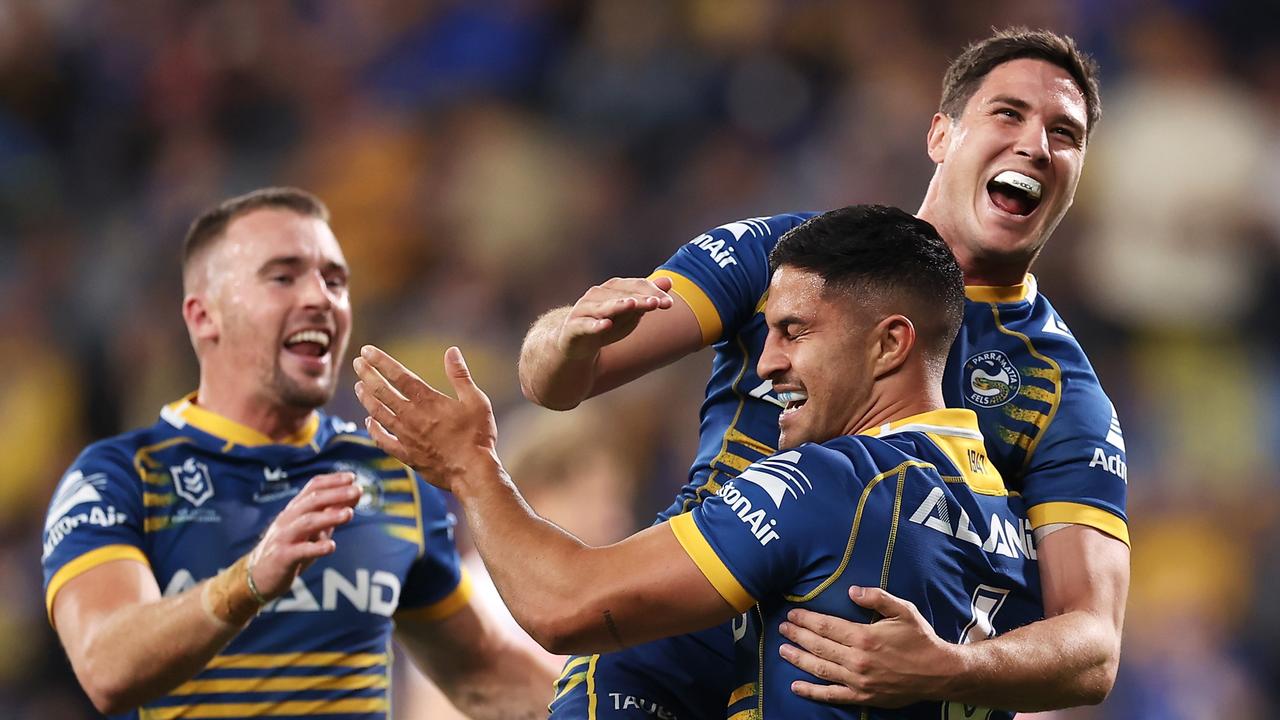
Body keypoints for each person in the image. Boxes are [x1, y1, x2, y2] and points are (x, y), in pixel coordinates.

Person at [516, 28, 1128, 718]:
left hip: (838, 682)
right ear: (940, 136)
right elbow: (560, 381)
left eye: (1065, 133)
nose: (1036, 145)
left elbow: (1094, 646)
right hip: (670, 649)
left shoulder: (1061, 393)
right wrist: (563, 340)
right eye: (1008, 113)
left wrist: (954, 667)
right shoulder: (790, 257)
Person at [353, 204, 1043, 720]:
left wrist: (470, 466)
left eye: (794, 332)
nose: (767, 363)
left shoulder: (828, 481)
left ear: (890, 344)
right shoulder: (1009, 524)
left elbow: (564, 606)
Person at [40, 188, 555, 720]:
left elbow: (486, 677)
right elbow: (107, 667)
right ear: (203, 317)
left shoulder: (388, 476)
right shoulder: (119, 478)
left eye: (334, 281)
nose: (320, 298)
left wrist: (625, 699)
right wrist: (247, 583)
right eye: (283, 276)